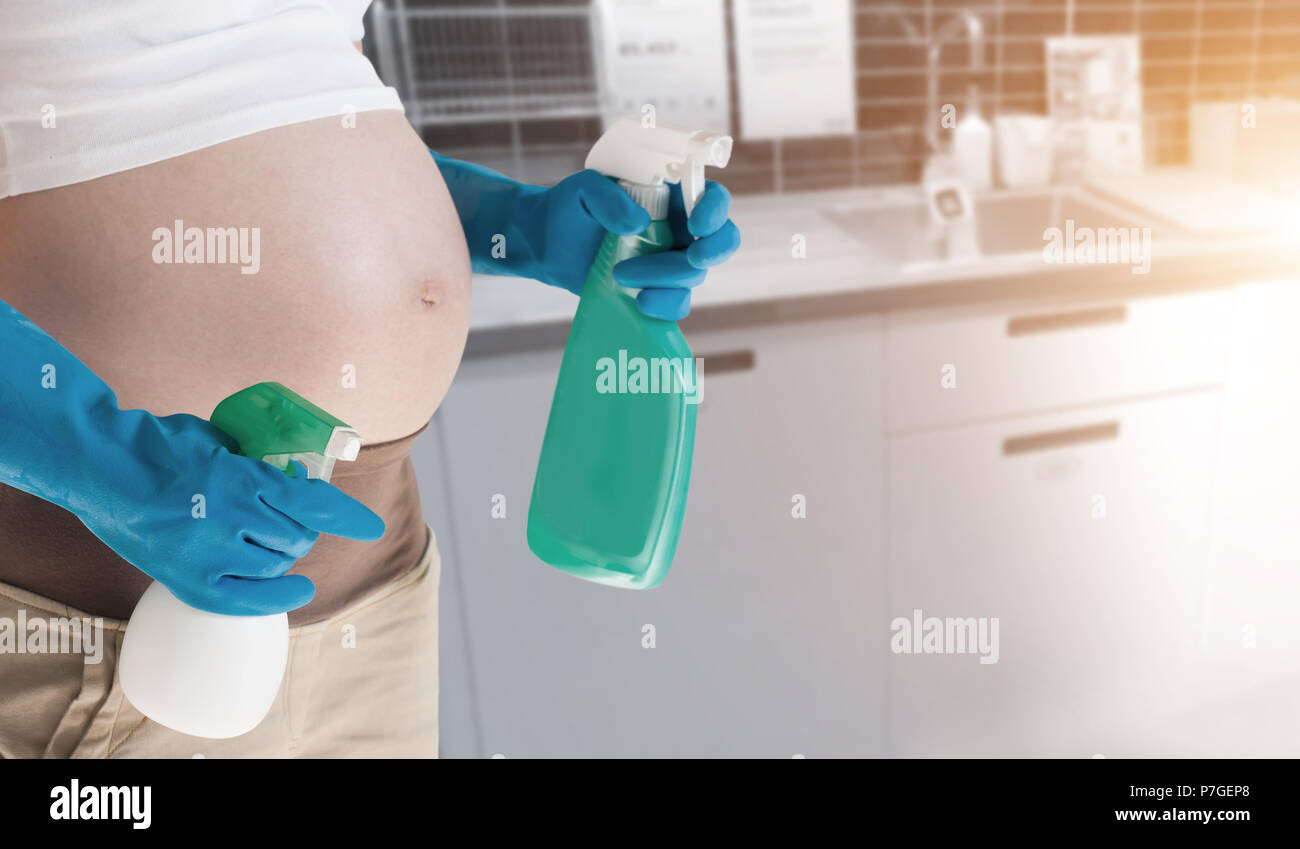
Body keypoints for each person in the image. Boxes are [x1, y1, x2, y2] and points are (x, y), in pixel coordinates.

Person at [0, 0, 739, 757]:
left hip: (378, 599)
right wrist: (107, 463)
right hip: (126, 617)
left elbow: (302, 113)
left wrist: (516, 226)